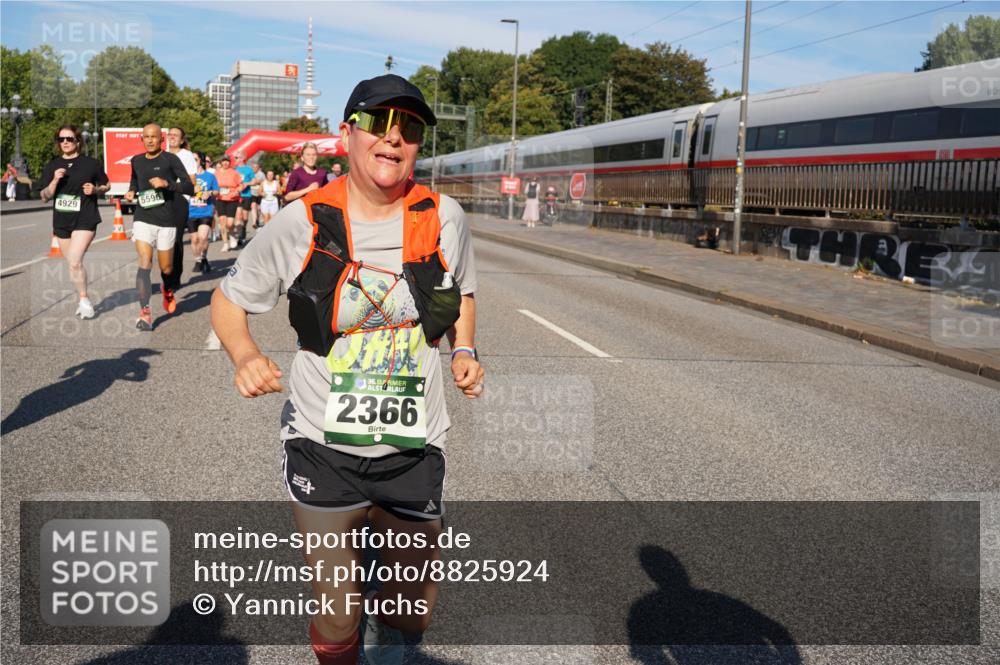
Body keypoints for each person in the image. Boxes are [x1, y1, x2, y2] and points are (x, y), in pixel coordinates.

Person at [211, 74, 482, 665]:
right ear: (347, 134)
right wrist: (246, 356)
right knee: (337, 613)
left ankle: (388, 624)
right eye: (378, 123)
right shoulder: (302, 220)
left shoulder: (443, 216)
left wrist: (464, 349)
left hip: (413, 447)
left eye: (410, 128)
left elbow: (461, 293)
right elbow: (228, 301)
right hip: (321, 445)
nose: (394, 138)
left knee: (410, 612)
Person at [124, 123, 194, 329]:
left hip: (166, 220)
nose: (150, 140)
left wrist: (167, 184)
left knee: (167, 268)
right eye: (146, 137)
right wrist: (131, 190)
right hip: (143, 217)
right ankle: (145, 312)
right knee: (144, 263)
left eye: (154, 137)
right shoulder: (136, 160)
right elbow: (135, 179)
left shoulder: (171, 159)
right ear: (142, 139)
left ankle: (167, 289)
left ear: (161, 139)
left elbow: (189, 187)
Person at [38, 125, 110, 319]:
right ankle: (82, 298)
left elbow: (107, 185)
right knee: (72, 264)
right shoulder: (52, 166)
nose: (65, 142)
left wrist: (96, 190)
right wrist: (54, 181)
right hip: (62, 221)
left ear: (78, 141)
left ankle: (85, 300)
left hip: (85, 218)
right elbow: (44, 196)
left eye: (69, 139)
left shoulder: (91, 164)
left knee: (76, 261)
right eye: (61, 139)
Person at [166, 126, 198, 291]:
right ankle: (166, 272)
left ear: (182, 139)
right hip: (163, 198)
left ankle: (175, 276)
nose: (172, 137)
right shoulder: (162, 154)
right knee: (164, 238)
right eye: (170, 134)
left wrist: (172, 185)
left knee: (176, 238)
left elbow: (192, 181)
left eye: (176, 135)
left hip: (179, 198)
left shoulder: (186, 155)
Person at [189, 155, 219, 273]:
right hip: (191, 211)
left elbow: (217, 191)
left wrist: (210, 193)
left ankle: (203, 257)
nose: (193, 162)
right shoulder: (188, 177)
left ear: (200, 161)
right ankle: (199, 260)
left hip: (205, 211)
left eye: (195, 159)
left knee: (203, 237)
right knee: (194, 240)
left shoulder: (210, 176)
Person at [213, 155, 242, 252]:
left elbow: (241, 185)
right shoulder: (216, 173)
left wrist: (237, 191)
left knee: (230, 223)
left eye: (227, 161)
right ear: (221, 162)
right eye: (223, 161)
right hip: (220, 198)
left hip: (232, 199)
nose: (225, 163)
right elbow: (213, 185)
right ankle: (225, 243)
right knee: (222, 222)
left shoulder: (234, 173)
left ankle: (232, 234)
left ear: (230, 162)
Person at [234, 151, 254, 248]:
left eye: (237, 157)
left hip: (247, 195)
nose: (235, 159)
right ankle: (239, 236)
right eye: (235, 157)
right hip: (237, 196)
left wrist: (247, 184)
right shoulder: (234, 169)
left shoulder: (248, 169)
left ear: (242, 158)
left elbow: (254, 181)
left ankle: (243, 230)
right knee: (238, 216)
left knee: (245, 218)